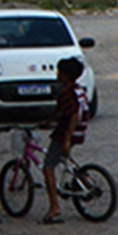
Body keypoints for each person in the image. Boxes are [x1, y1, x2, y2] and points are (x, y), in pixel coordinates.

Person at [40, 56, 87, 224]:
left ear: (65, 75)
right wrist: (48, 121)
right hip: (79, 132)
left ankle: (54, 206)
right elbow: (60, 110)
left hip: (66, 133)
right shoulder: (77, 89)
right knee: (62, 157)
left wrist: (66, 139)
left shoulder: (66, 93)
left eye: (59, 72)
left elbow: (73, 114)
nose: (57, 75)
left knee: (48, 167)